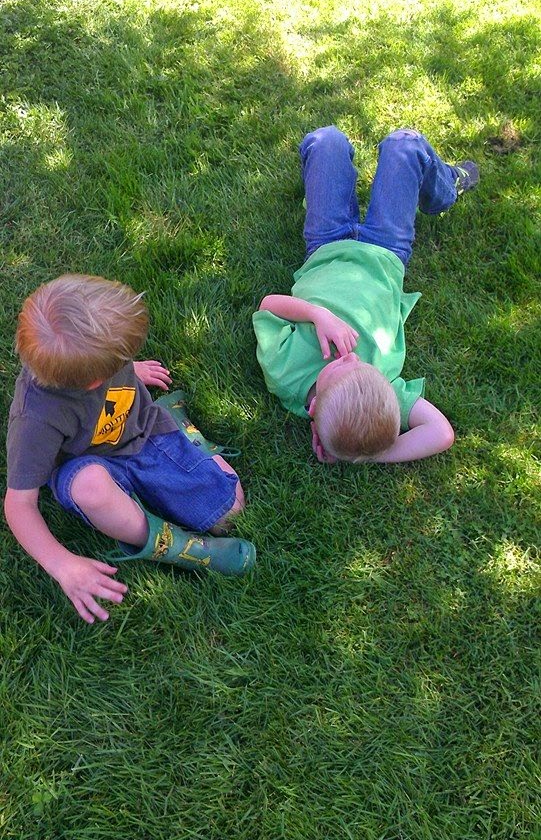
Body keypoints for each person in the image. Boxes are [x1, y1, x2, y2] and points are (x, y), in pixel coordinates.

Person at [4, 274, 255, 625]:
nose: (126, 361)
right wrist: (62, 564)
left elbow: (110, 362)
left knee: (231, 513)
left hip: (144, 430)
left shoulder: (92, 357)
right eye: (122, 360)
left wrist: (132, 370)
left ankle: (181, 428)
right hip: (90, 466)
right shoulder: (35, 419)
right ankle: (177, 546)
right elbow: (18, 505)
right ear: (95, 378)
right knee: (90, 489)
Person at [253, 126, 479, 464]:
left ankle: (325, 191)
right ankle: (446, 187)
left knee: (324, 141)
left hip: (326, 245)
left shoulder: (285, 373)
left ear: (312, 408)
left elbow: (268, 305)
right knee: (406, 145)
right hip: (386, 250)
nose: (351, 357)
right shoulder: (378, 394)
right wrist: (368, 456)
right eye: (362, 365)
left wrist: (318, 315)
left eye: (339, 366)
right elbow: (441, 433)